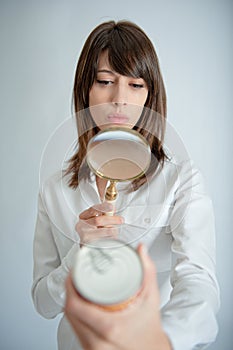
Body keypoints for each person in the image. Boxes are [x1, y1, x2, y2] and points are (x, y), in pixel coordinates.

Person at [32, 20, 220, 350]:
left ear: (150, 96)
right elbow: (43, 304)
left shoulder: (181, 181)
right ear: (85, 90)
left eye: (136, 85)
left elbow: (199, 283)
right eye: (106, 81)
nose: (120, 99)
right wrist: (81, 253)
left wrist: (157, 340)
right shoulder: (55, 189)